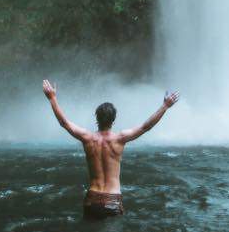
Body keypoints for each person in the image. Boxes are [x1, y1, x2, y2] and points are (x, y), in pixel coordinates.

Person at [42, 79, 180, 219]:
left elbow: (64, 122)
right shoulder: (120, 139)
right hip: (112, 200)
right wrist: (165, 106)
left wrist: (52, 98)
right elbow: (146, 126)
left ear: (97, 118)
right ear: (113, 120)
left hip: (92, 199)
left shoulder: (87, 138)